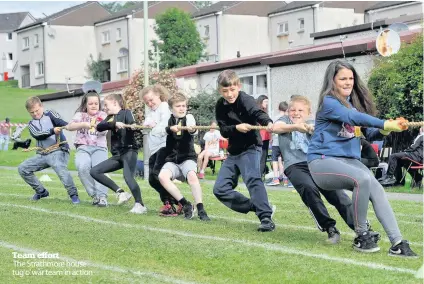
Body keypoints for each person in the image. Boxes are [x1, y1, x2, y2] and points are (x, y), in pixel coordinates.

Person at [307, 59, 417, 257]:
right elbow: (352, 118)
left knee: (377, 189)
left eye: (350, 78)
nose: (348, 82)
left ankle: (397, 243)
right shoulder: (329, 103)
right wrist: (385, 123)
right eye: (343, 79)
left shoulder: (352, 107)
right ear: (332, 81)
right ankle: (362, 235)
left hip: (350, 162)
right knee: (363, 178)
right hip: (322, 162)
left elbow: (368, 133)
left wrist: (384, 130)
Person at [273, 95, 355, 243]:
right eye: (292, 110)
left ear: (308, 112)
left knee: (337, 195)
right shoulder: (284, 122)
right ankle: (330, 228)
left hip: (317, 162)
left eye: (300, 110)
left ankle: (360, 227)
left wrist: (314, 130)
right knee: (309, 189)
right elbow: (275, 128)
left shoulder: (314, 123)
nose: (296, 113)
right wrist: (296, 127)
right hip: (295, 165)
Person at [213, 69, 275, 232]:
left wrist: (268, 122)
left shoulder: (245, 99)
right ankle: (256, 207)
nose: (229, 94)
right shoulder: (220, 105)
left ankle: (266, 218)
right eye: (225, 91)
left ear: (238, 87)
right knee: (219, 189)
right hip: (234, 152)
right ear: (220, 90)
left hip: (251, 147)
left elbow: (257, 113)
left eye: (232, 90)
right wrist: (236, 128)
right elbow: (224, 130)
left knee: (253, 179)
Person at [158, 92, 210, 221]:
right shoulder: (167, 119)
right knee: (162, 177)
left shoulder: (189, 117)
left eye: (183, 106)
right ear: (171, 108)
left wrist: (191, 129)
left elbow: (194, 129)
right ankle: (185, 204)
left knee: (192, 176)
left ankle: (200, 208)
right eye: (178, 106)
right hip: (172, 159)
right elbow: (155, 132)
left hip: (187, 157)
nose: (182, 108)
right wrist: (169, 129)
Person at [90, 93, 146, 214]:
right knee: (94, 171)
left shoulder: (126, 112)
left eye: (106, 104)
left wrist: (132, 126)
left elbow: (132, 123)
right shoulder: (110, 117)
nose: (104, 107)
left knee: (128, 177)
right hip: (117, 155)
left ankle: (140, 204)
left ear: (115, 103)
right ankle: (121, 192)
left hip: (129, 151)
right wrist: (114, 124)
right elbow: (99, 127)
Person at [18, 97, 80, 204]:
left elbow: (62, 122)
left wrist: (69, 126)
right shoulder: (31, 124)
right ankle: (41, 191)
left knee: (58, 166)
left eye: (37, 110)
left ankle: (73, 194)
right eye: (32, 112)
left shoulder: (50, 114)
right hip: (42, 154)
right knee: (23, 168)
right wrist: (52, 130)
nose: (35, 114)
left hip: (59, 150)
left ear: (41, 106)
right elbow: (38, 135)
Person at [65, 82, 109, 207]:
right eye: (90, 104)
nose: (94, 106)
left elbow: (105, 130)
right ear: (85, 105)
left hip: (99, 148)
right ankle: (94, 195)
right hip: (83, 148)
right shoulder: (80, 115)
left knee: (99, 169)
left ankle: (102, 197)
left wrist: (99, 126)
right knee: (82, 167)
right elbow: (69, 126)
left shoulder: (103, 115)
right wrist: (83, 124)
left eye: (96, 103)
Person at [140, 84, 180, 217]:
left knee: (158, 174)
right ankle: (169, 202)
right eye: (147, 102)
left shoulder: (164, 107)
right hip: (154, 149)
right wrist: (147, 126)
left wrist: (153, 126)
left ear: (159, 95)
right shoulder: (151, 113)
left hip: (165, 147)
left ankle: (177, 202)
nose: (150, 103)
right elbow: (145, 128)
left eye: (151, 100)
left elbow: (164, 128)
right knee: (152, 179)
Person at [267, 101, 288, 186]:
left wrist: (270, 139)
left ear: (279, 108)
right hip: (284, 142)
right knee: (282, 160)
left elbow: (271, 130)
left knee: (275, 160)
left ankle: (276, 178)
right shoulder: (287, 118)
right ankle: (285, 178)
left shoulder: (275, 118)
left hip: (276, 142)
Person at [257, 95, 271, 177]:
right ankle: (259, 176)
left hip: (265, 137)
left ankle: (260, 174)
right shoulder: (259, 112)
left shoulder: (264, 112)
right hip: (261, 137)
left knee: (263, 157)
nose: (267, 103)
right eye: (265, 101)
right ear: (261, 102)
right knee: (261, 157)